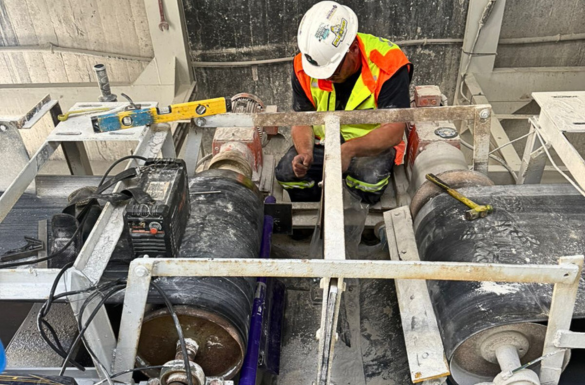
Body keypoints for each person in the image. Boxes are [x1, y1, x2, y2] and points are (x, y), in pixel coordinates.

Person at [275, 1, 413, 205]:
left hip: (371, 145)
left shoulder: (388, 63)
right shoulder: (306, 66)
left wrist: (349, 150)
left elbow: (393, 130)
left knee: (369, 181)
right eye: (323, 72)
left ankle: (359, 223)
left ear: (354, 48)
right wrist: (305, 152)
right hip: (323, 142)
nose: (327, 77)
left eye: (334, 70)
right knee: (288, 174)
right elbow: (302, 119)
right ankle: (310, 211)